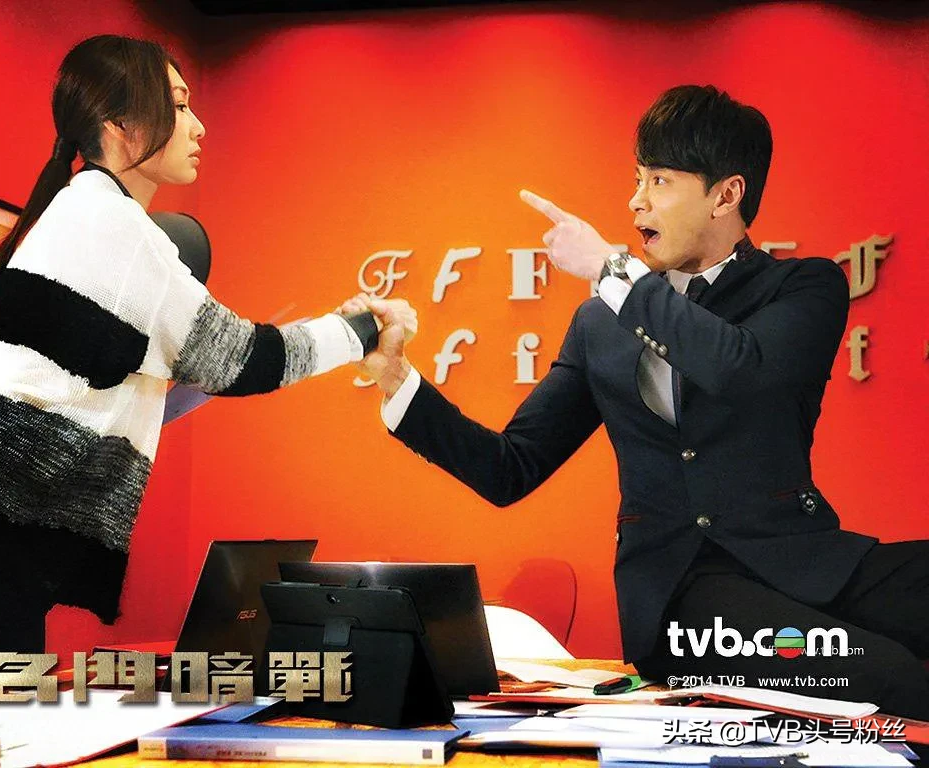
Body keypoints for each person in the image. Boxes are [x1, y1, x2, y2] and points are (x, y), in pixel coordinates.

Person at [342, 85, 929, 718]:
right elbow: (510, 467)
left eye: (660, 181)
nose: (636, 200)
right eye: (637, 178)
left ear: (726, 195)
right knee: (889, 676)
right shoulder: (601, 322)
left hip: (805, 557)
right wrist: (396, 378)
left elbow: (739, 367)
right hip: (683, 596)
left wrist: (611, 272)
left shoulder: (803, 287)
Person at [0, 34, 415, 697]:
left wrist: (99, 384)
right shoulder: (119, 229)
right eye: (178, 105)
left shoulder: (67, 216)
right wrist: (364, 329)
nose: (198, 126)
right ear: (121, 123)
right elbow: (246, 360)